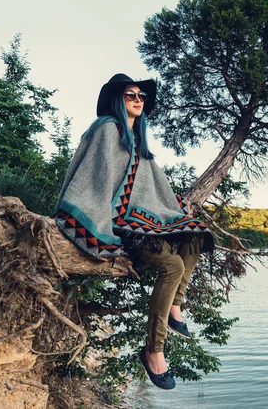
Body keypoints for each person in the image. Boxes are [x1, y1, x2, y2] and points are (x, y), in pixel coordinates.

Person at [54, 73, 214, 390]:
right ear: (118, 99)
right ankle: (154, 351)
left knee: (196, 234)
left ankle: (175, 304)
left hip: (143, 222)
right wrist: (108, 216)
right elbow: (94, 182)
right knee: (173, 266)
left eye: (141, 95)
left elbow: (152, 189)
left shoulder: (138, 141)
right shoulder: (105, 129)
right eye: (131, 95)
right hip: (120, 224)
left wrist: (170, 208)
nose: (139, 99)